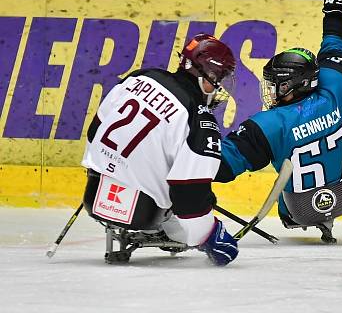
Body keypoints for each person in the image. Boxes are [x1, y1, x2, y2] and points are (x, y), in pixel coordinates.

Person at [215, 0, 342, 244]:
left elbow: (224, 165)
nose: (270, 91)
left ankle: (294, 213)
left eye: (275, 84)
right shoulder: (334, 91)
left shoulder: (271, 123)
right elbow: (336, 47)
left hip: (300, 209)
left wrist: (180, 166)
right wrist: (336, 6)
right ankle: (325, 219)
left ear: (293, 85)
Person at [81, 33, 239, 265]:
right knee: (186, 212)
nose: (219, 87)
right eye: (219, 79)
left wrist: (114, 169)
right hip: (143, 212)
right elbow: (189, 192)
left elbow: (95, 131)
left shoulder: (139, 77)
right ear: (207, 75)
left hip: (94, 193)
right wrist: (209, 234)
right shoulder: (199, 118)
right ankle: (166, 228)